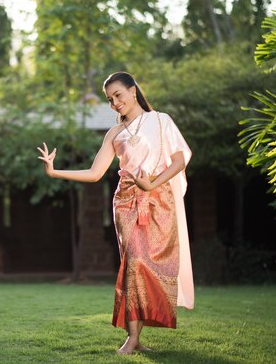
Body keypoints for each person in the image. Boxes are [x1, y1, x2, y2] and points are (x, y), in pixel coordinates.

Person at [37, 71, 194, 354]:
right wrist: (54, 172)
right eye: (110, 100)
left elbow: (180, 160)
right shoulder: (115, 133)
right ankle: (132, 339)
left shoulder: (161, 121)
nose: (114, 103)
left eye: (118, 95)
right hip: (126, 202)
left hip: (159, 199)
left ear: (133, 91)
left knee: (151, 266)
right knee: (133, 262)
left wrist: (152, 183)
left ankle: (137, 336)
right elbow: (95, 173)